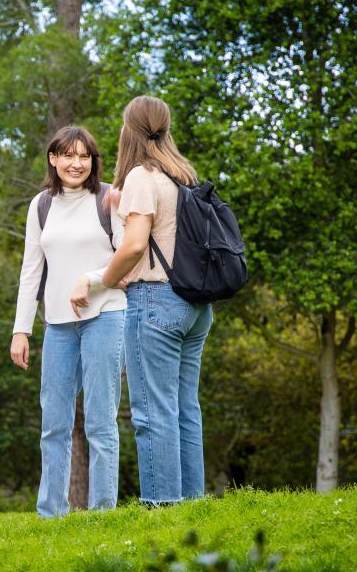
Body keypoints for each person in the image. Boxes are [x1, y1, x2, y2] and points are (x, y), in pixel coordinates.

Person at [97, 95, 214, 505]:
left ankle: (163, 505)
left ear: (128, 131)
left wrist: (102, 283)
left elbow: (133, 247)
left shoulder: (141, 178)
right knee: (184, 408)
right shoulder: (182, 174)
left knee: (152, 412)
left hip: (155, 301)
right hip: (194, 306)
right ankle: (192, 502)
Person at [11, 126, 126, 518]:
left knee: (100, 421)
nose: (76, 163)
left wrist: (91, 280)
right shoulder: (40, 205)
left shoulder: (109, 199)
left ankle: (102, 512)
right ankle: (50, 513)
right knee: (53, 423)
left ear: (94, 161)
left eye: (85, 156)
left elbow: (128, 262)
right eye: (68, 155)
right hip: (58, 324)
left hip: (106, 315)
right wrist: (21, 329)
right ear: (53, 159)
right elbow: (31, 271)